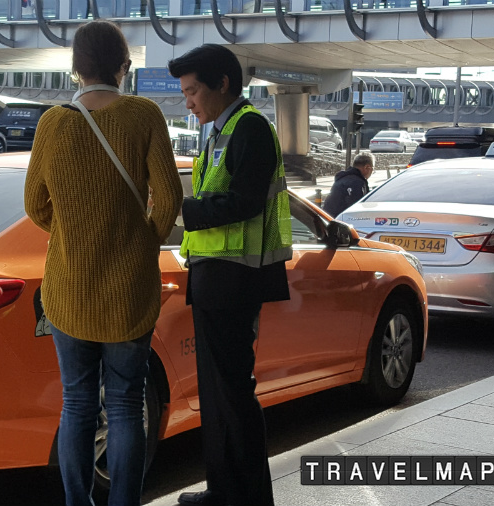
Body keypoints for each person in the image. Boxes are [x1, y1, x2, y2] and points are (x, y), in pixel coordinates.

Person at [24, 19, 183, 506]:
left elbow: (35, 205)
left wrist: (76, 234)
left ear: (76, 67)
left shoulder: (53, 123)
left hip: (69, 289)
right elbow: (169, 198)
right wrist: (140, 242)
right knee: (126, 404)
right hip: (129, 289)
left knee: (76, 404)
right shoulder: (144, 115)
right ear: (123, 66)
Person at [167, 44, 293, 506]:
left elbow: (245, 201)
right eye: (184, 93)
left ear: (222, 84)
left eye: (193, 91)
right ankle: (224, 491)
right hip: (214, 277)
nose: (188, 102)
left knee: (234, 393)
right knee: (218, 394)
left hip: (235, 280)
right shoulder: (220, 131)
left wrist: (184, 211)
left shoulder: (250, 128)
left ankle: (250, 497)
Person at [322, 152, 374, 217]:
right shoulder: (356, 183)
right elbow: (356, 209)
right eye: (373, 169)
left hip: (328, 217)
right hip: (339, 219)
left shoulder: (343, 178)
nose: (372, 172)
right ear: (367, 167)